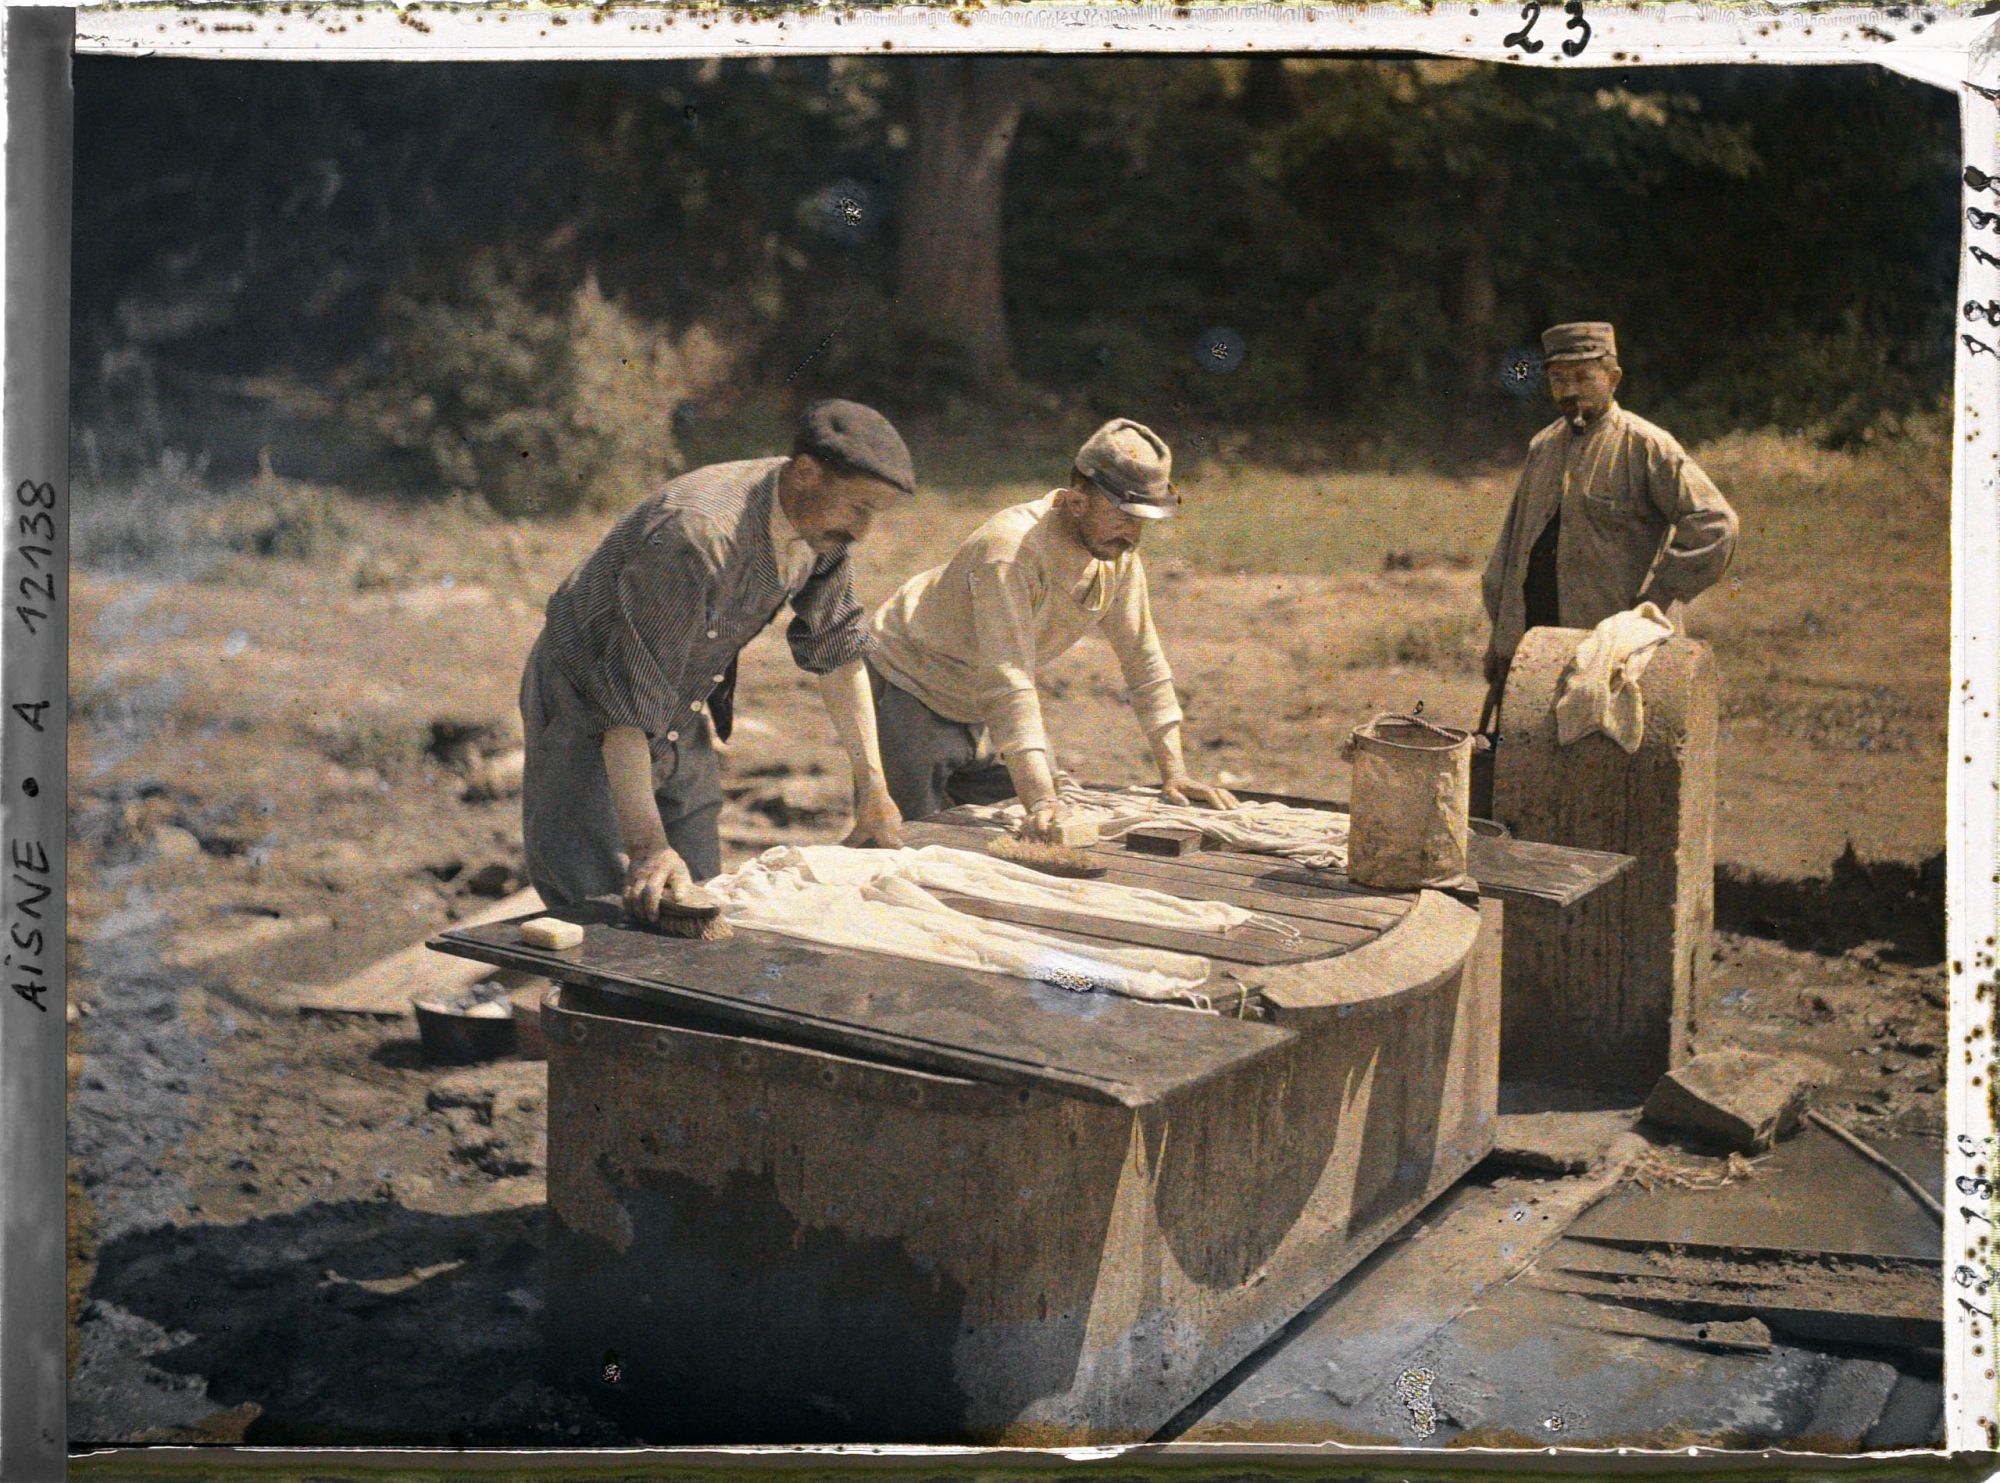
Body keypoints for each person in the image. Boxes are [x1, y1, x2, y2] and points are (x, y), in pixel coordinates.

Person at [520, 399, 912, 923]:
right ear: (806, 473)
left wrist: (874, 791)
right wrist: (646, 846)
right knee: (608, 903)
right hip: (587, 702)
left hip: (681, 701)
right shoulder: (695, 534)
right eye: (858, 509)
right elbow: (625, 710)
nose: (863, 532)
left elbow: (839, 652)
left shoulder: (821, 527)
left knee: (699, 894)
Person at [866, 417, 1235, 842]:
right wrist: (1040, 799)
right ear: (1078, 501)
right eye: (1122, 515)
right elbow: (1009, 676)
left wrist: (1175, 773)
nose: (1132, 533)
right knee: (906, 840)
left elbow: (1143, 659)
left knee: (1041, 822)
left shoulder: (1116, 554)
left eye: (1142, 519)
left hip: (985, 705)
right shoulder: (1010, 551)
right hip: (912, 682)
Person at [1481, 322, 1740, 693]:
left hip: (1617, 655)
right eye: (1558, 379)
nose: (1569, 391)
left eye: (1583, 378)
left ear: (1613, 378)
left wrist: (1660, 595)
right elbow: (1509, 553)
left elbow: (1716, 524)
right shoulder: (1542, 448)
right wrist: (1501, 643)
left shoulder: (1646, 446)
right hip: (1535, 652)